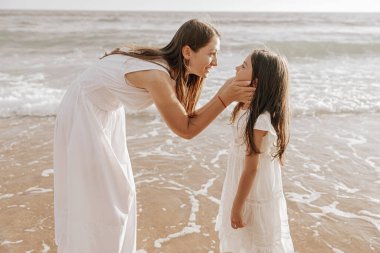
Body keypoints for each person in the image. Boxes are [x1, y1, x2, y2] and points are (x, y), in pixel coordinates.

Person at [53, 19, 253, 253]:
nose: (216, 63)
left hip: (107, 112)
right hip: (84, 111)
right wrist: (224, 97)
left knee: (121, 194)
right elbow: (186, 129)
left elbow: (187, 119)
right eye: (211, 54)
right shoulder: (157, 76)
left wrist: (226, 95)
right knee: (105, 200)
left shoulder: (170, 71)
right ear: (187, 51)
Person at [215, 49, 295, 253]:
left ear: (256, 82)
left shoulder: (259, 119)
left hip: (254, 190)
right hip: (241, 184)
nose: (236, 68)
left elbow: (251, 169)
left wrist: (237, 206)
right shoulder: (245, 109)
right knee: (244, 241)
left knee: (256, 241)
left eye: (243, 66)